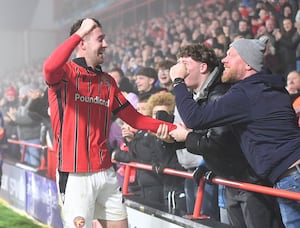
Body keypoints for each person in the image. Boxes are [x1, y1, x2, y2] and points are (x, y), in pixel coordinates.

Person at [43, 18, 176, 228]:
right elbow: (49, 67)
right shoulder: (65, 74)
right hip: (75, 175)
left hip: (106, 172)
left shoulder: (107, 81)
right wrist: (81, 31)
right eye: (100, 39)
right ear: (82, 43)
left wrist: (174, 129)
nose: (105, 45)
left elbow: (136, 119)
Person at [166, 37, 300, 228]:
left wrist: (178, 82)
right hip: (289, 174)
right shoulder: (264, 87)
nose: (224, 60)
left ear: (247, 64)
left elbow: (195, 119)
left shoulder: (246, 93)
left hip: (291, 175)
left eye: (231, 55)